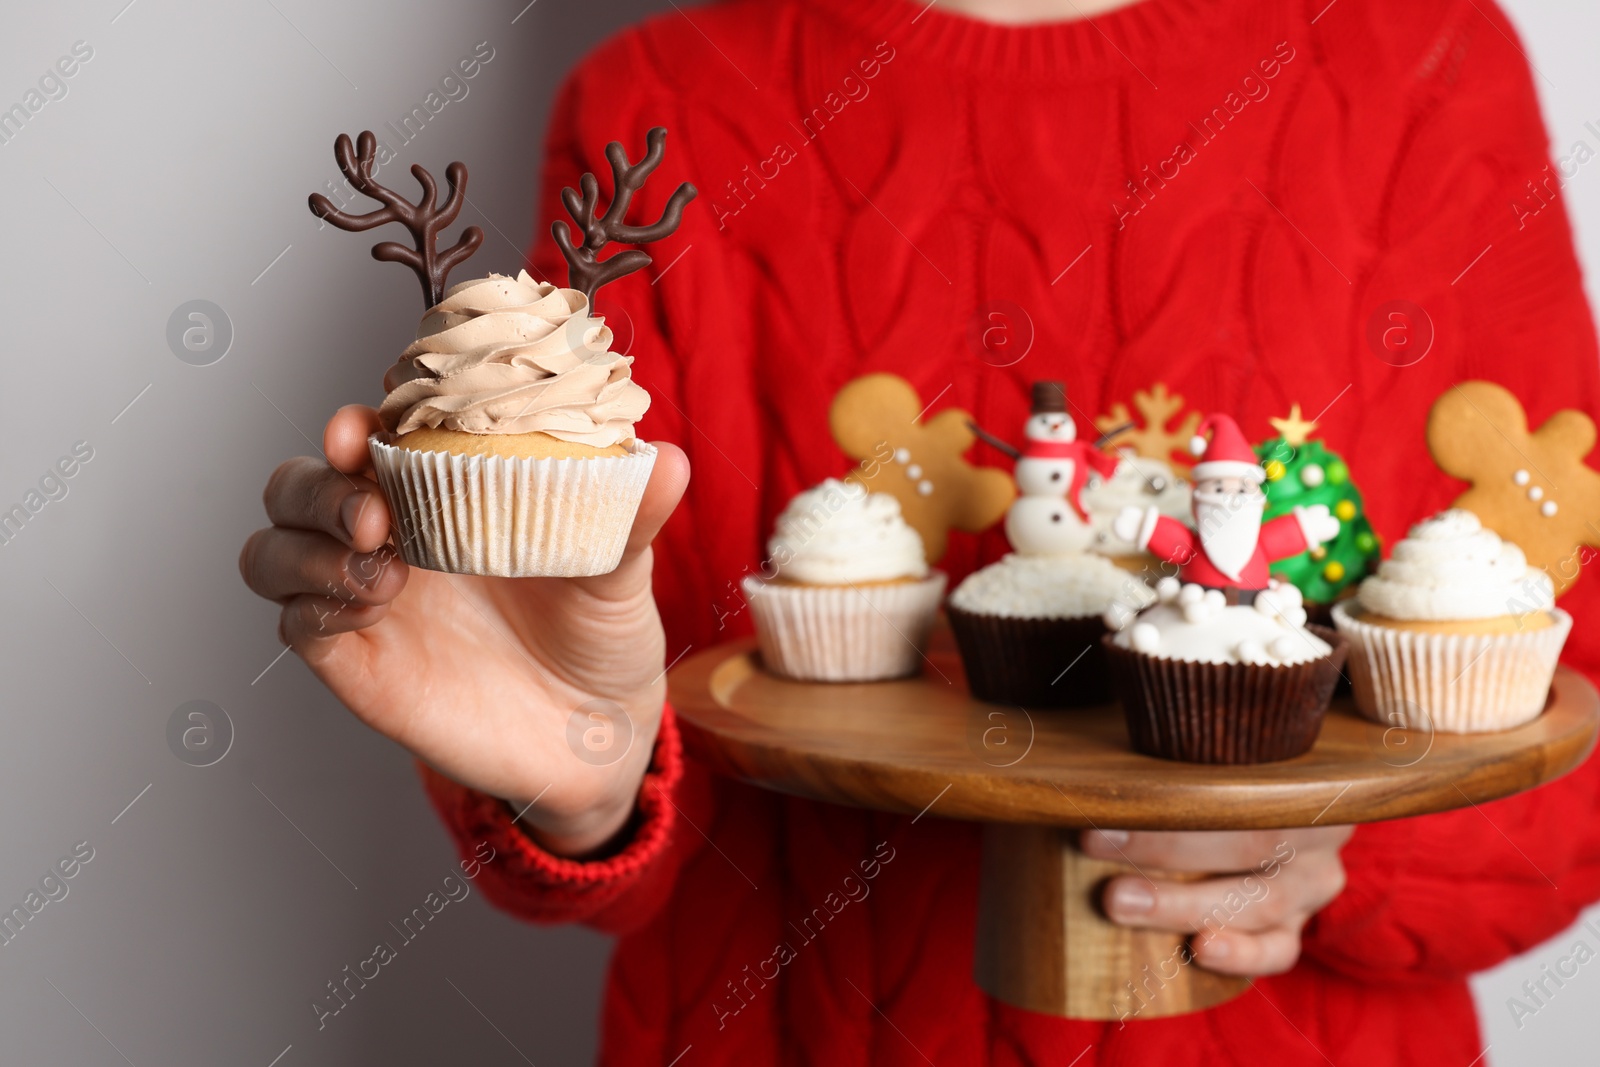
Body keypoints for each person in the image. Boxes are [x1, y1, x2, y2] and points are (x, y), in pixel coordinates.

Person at [240, 0, 1600, 1061]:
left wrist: (1333, 850)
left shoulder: (1426, 67)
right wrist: (591, 784)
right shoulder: (656, 117)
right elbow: (627, 784)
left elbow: (1572, 765)